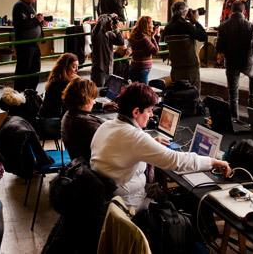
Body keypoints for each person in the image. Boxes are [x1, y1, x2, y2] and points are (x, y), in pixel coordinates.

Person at [90, 83, 231, 210]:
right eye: (149, 110)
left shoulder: (106, 126)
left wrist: (150, 145)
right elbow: (176, 161)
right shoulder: (134, 138)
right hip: (129, 204)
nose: (151, 115)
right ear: (136, 112)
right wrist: (213, 162)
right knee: (193, 203)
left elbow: (125, 149)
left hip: (109, 198)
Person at [216, 1, 253, 119]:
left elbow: (219, 48)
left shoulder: (223, 26)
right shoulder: (252, 26)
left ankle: (234, 119)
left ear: (231, 11)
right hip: (248, 62)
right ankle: (252, 107)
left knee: (233, 95)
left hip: (231, 62)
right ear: (244, 11)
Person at [161, 1, 206, 92]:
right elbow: (203, 37)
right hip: (190, 67)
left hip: (175, 67)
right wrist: (195, 21)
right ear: (185, 12)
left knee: (178, 94)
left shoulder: (168, 27)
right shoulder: (186, 26)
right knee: (193, 93)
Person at [61, 77, 105, 161]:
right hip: (94, 167)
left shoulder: (69, 115)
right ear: (85, 99)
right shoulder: (84, 123)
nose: (94, 102)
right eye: (92, 98)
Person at [13, 0, 47, 91]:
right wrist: (37, 20)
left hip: (34, 44)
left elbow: (32, 23)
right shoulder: (19, 6)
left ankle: (31, 94)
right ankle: (19, 96)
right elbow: (24, 24)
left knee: (35, 71)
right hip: (24, 45)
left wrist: (40, 22)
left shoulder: (30, 7)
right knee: (24, 71)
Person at [37, 53, 79, 138]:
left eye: (77, 67)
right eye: (74, 67)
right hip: (50, 123)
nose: (76, 70)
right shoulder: (64, 83)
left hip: (43, 121)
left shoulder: (56, 79)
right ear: (65, 67)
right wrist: (78, 81)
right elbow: (79, 101)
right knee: (82, 126)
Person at [90, 13, 125, 87]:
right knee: (98, 93)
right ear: (105, 23)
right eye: (111, 22)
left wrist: (116, 29)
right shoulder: (97, 34)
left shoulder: (110, 34)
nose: (112, 23)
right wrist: (109, 17)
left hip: (109, 70)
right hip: (99, 70)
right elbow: (99, 23)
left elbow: (121, 42)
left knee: (106, 94)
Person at [128, 16, 160, 84]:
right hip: (142, 68)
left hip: (134, 66)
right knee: (143, 91)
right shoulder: (143, 38)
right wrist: (154, 37)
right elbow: (155, 51)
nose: (153, 25)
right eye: (151, 23)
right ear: (147, 25)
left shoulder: (136, 35)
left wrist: (152, 35)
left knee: (135, 89)